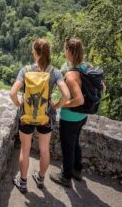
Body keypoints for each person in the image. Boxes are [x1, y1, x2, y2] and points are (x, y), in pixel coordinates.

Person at [10, 38, 70, 193]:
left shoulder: (25, 70)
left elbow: (12, 93)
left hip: (27, 115)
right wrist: (55, 106)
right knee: (44, 149)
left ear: (34, 53)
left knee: (25, 149)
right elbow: (67, 94)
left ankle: (23, 183)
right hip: (45, 116)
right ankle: (41, 179)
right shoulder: (54, 72)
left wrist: (20, 105)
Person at [50, 37, 90, 187]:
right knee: (75, 143)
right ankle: (77, 170)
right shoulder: (87, 67)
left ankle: (65, 176)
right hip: (83, 116)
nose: (64, 52)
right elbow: (102, 86)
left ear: (70, 51)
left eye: (65, 49)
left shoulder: (71, 75)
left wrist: (62, 105)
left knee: (67, 146)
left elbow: (79, 100)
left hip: (70, 117)